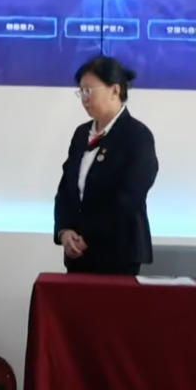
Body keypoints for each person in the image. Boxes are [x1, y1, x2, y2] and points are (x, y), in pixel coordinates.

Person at [54, 55, 158, 275]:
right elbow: (66, 190)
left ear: (114, 90)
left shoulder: (137, 136)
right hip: (78, 255)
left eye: (89, 91)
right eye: (80, 92)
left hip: (118, 254)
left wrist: (86, 235)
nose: (84, 98)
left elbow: (129, 198)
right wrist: (65, 232)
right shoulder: (82, 134)